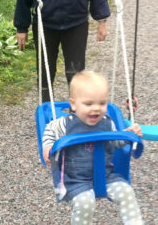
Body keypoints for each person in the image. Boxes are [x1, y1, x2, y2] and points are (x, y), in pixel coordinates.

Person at [42, 70, 144, 225]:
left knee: (126, 192)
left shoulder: (107, 123)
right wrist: (48, 145)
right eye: (88, 104)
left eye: (102, 103)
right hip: (75, 180)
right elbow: (49, 129)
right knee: (85, 202)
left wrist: (128, 135)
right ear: (73, 104)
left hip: (106, 176)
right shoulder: (65, 124)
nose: (96, 109)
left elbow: (116, 142)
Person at [14, 0, 110, 102]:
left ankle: (78, 113)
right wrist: (21, 26)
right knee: (45, 73)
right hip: (45, 23)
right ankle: (46, 110)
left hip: (76, 23)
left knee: (75, 73)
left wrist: (101, 20)